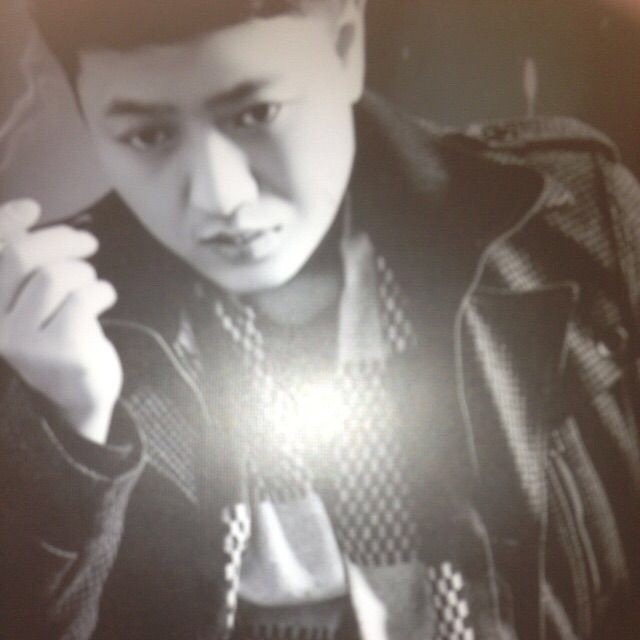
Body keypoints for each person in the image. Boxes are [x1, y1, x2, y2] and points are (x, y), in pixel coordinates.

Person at [0, 1, 638, 638]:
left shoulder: (574, 218)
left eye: (256, 114)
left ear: (345, 46)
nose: (222, 197)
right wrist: (68, 430)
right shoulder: (50, 333)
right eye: (147, 136)